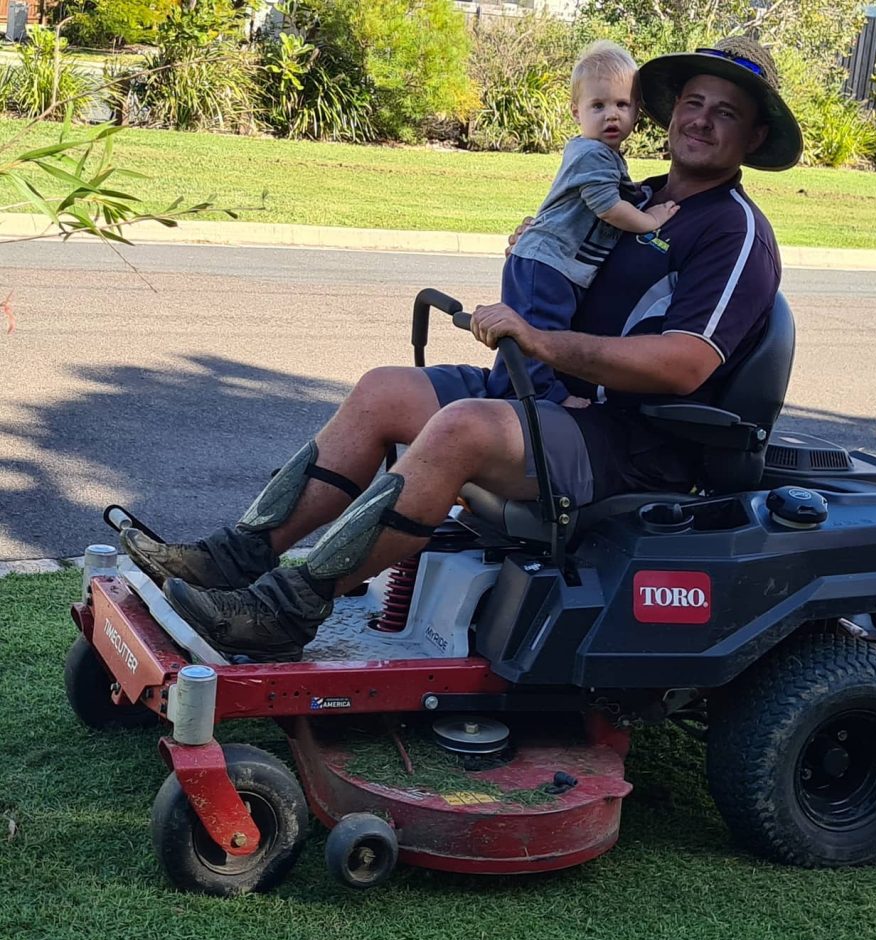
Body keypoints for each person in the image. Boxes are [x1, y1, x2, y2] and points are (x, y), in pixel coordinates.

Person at [120, 36, 804, 663]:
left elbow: (686, 364)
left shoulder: (734, 232)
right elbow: (569, 255)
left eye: (726, 113)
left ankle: (284, 609)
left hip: (634, 444)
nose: (702, 120)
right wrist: (535, 241)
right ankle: (235, 558)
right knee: (384, 390)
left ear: (755, 135)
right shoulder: (641, 198)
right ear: (673, 111)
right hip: (556, 397)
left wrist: (542, 341)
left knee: (461, 429)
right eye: (693, 103)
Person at [484, 39, 678, 406]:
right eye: (598, 105)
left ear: (637, 111)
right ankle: (538, 395)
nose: (611, 115)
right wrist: (649, 219)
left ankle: (508, 391)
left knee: (538, 328)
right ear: (577, 112)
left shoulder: (604, 156)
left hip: (555, 263)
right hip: (547, 262)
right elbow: (608, 207)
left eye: (622, 104)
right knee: (537, 330)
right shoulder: (592, 154)